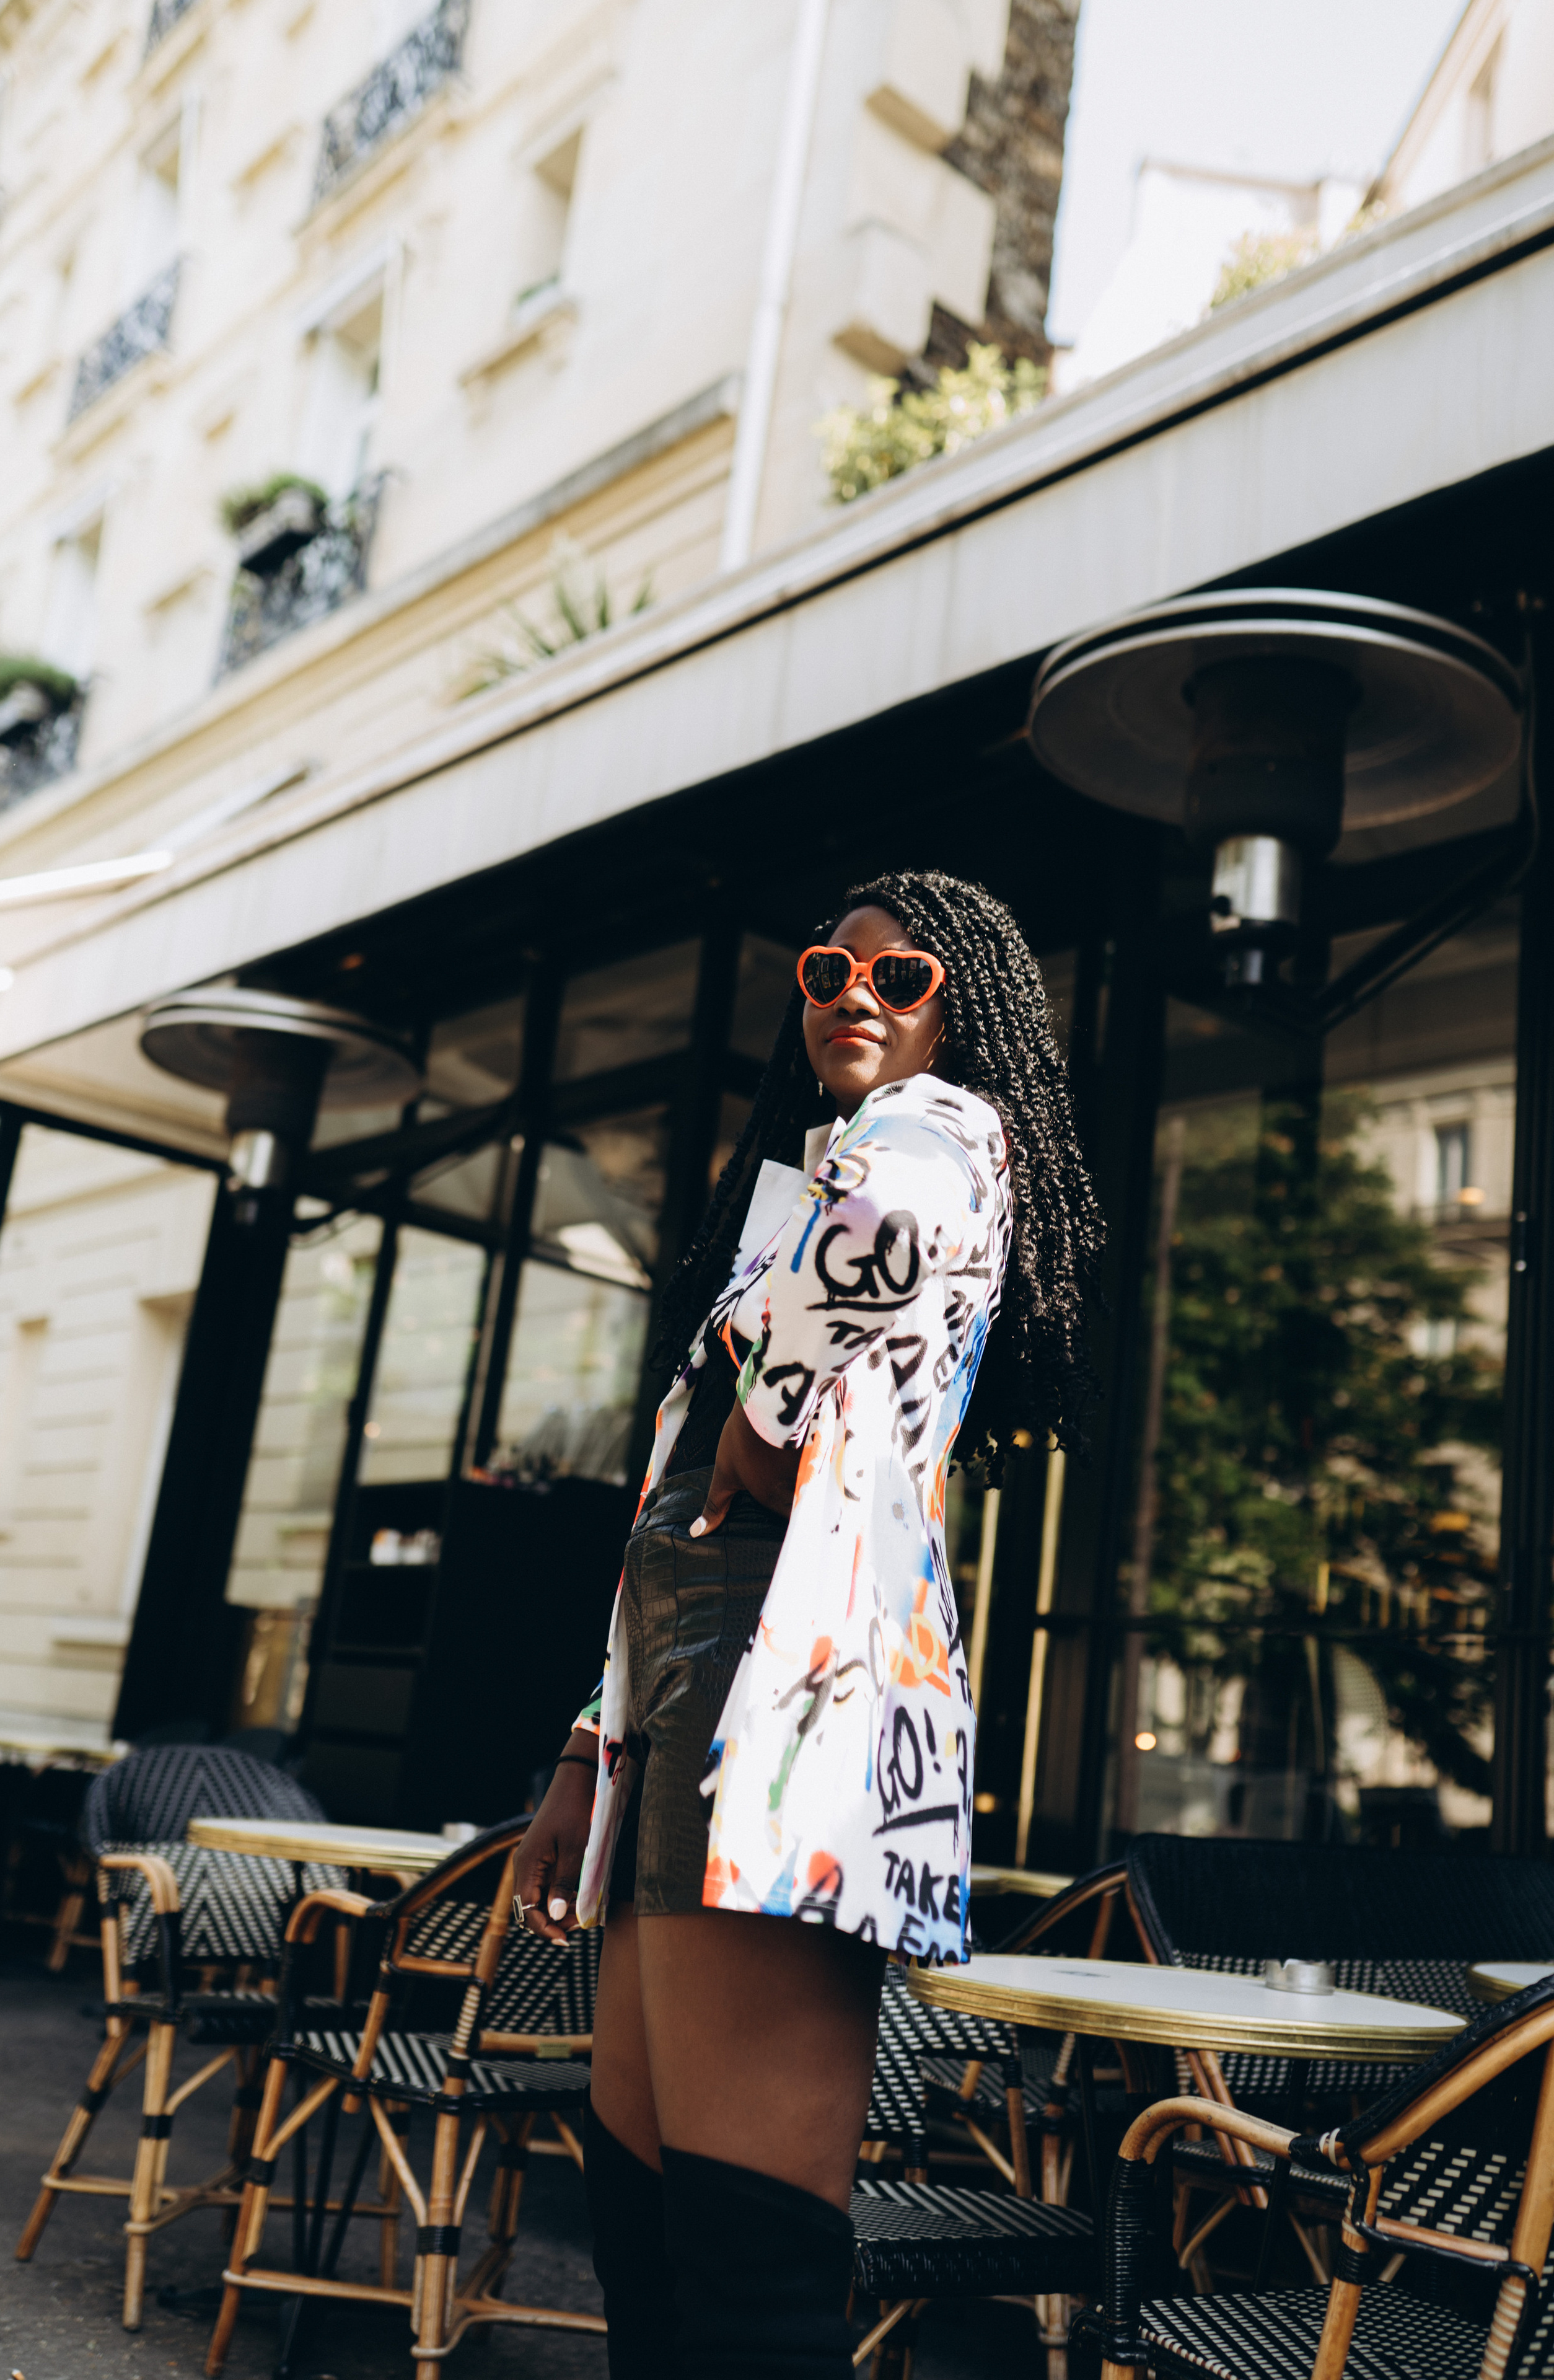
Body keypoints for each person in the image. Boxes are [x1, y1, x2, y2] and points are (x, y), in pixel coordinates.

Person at [514, 870, 1102, 2378]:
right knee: (647, 2230)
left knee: (749, 2261)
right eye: (827, 970)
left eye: (902, 978)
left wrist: (766, 1413)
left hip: (786, 1694)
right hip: (685, 1701)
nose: (857, 993)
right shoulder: (800, 1181)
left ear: (955, 1008)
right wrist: (590, 1743)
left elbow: (888, 1235)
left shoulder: (938, 1128)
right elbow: (662, 1526)